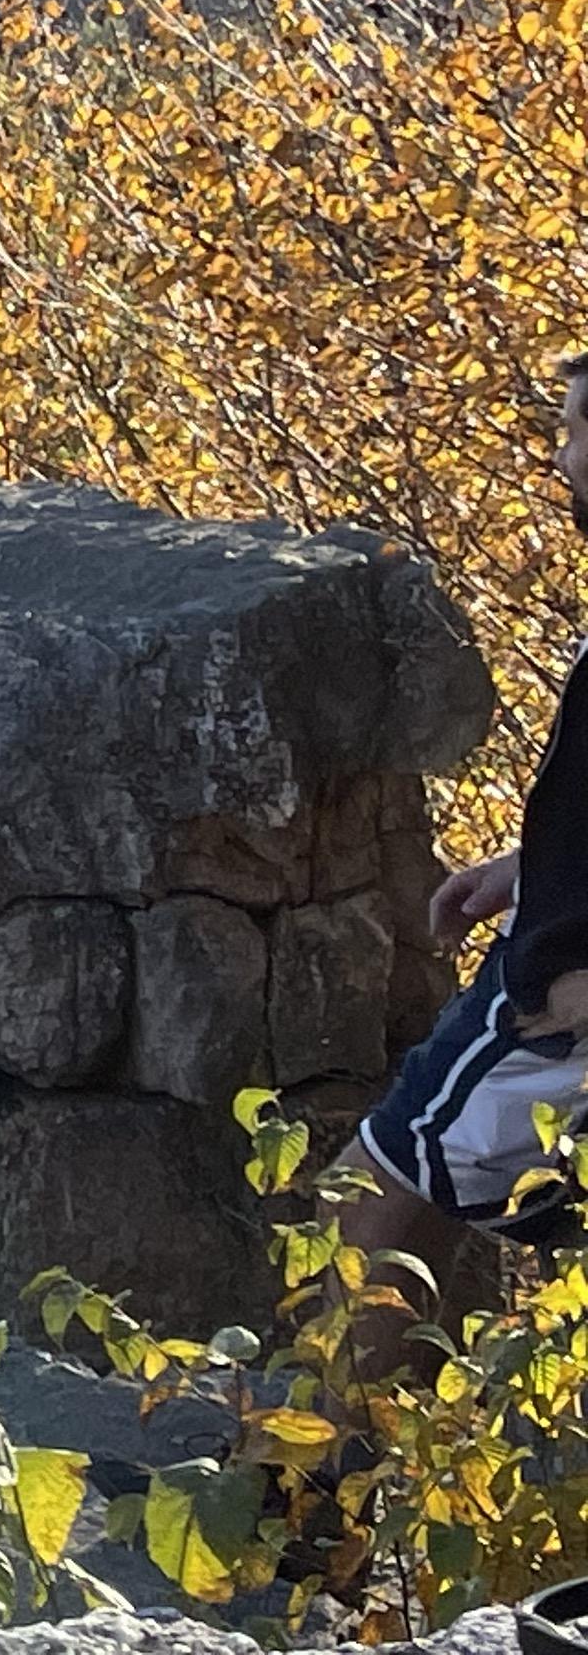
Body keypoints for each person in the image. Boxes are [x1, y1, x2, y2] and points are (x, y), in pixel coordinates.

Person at [338, 348, 588, 1353]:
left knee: (377, 1187)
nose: (558, 455)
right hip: (556, 954)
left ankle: (290, 1488)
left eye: (576, 432)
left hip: (560, 999)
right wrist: (527, 868)